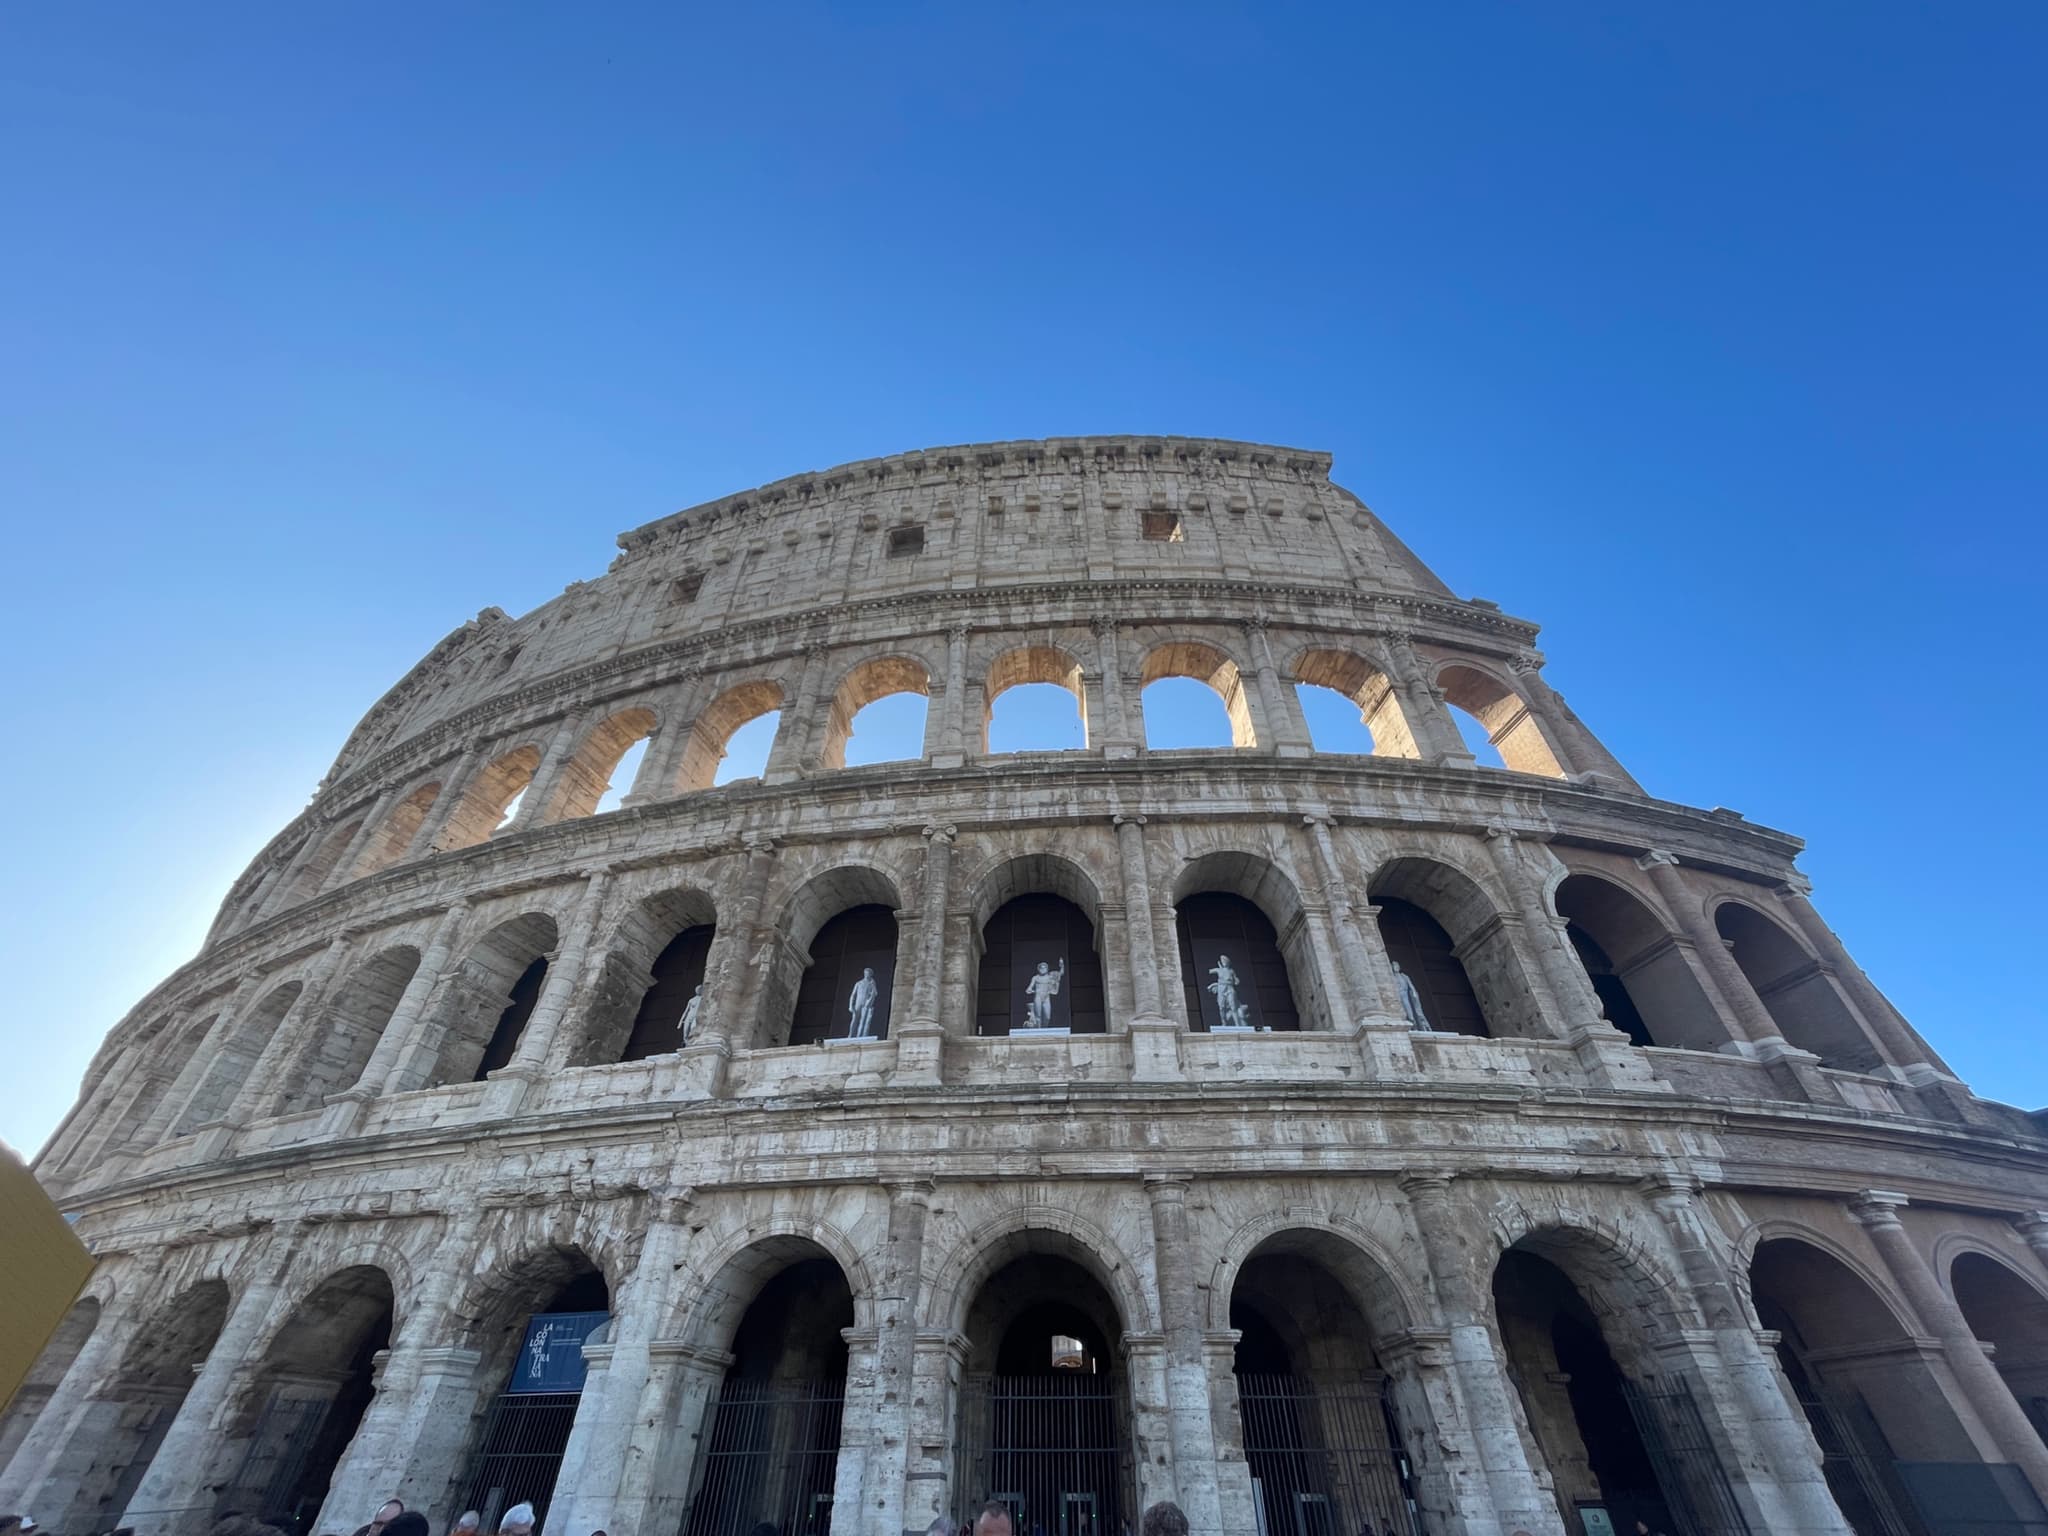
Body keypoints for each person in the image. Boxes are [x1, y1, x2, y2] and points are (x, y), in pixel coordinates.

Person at [1022, 957, 1067, 1028]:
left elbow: (1061, 973)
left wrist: (1062, 965)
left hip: (1046, 997)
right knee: (1038, 1016)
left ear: (1047, 969)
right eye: (1041, 968)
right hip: (1038, 997)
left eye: (1044, 968)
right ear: (1038, 969)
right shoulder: (1035, 977)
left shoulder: (1050, 977)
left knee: (1047, 1016)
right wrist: (1030, 990)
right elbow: (1029, 988)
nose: (1043, 969)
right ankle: (1039, 1030)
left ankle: (1044, 1029)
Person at [847, 966, 880, 1038]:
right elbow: (853, 995)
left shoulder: (871, 984)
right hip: (858, 1003)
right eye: (866, 973)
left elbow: (875, 993)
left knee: (863, 1020)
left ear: (870, 975)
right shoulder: (858, 983)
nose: (867, 975)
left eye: (869, 974)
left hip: (866, 1004)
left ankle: (860, 1035)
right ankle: (851, 1034)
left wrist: (873, 985)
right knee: (855, 1019)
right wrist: (850, 1005)